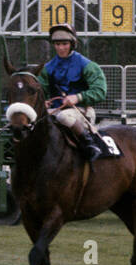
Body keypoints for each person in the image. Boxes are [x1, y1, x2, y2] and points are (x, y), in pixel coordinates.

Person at [38, 23, 110, 161]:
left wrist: (78, 97)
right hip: (55, 110)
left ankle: (90, 145)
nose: (60, 48)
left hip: (81, 111)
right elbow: (41, 90)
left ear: (72, 44)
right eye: (57, 44)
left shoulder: (88, 65)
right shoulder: (48, 68)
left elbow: (100, 91)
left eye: (64, 44)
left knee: (63, 117)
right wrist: (44, 101)